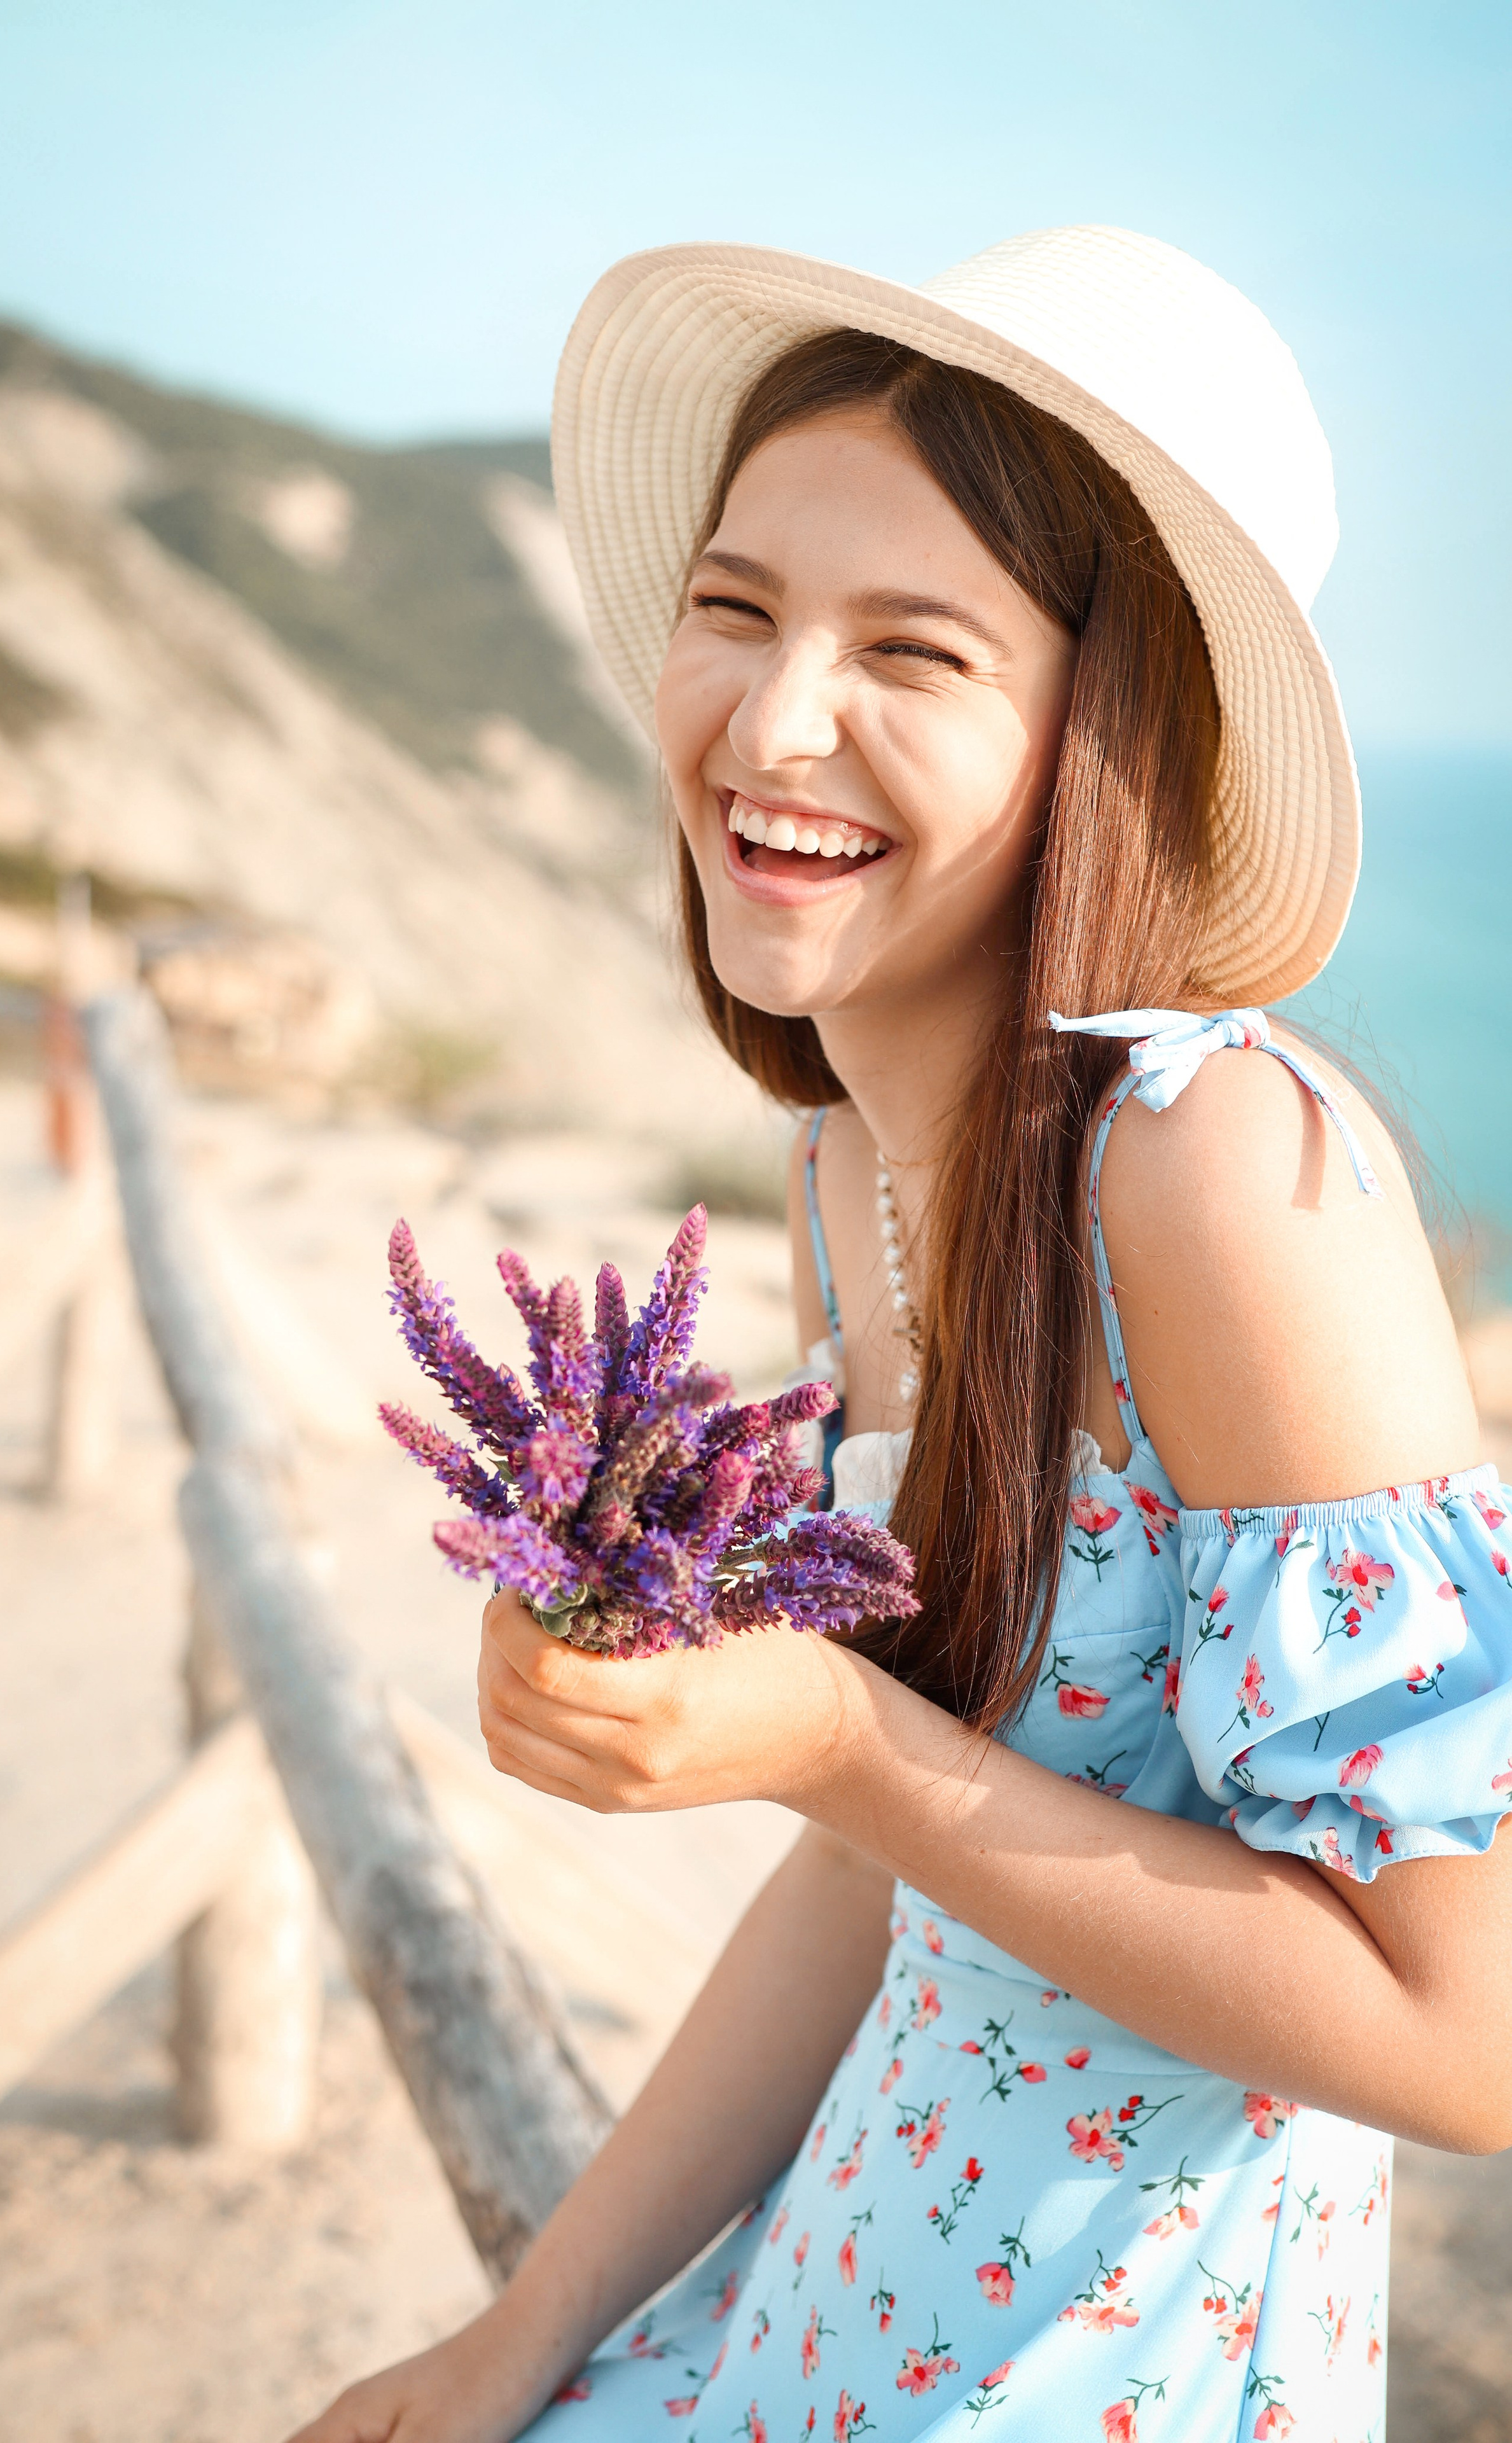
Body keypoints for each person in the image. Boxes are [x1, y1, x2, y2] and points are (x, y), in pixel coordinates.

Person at [289, 227, 1512, 2443]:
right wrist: (519, 2334)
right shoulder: (852, 1168)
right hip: (831, 2313)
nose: (771, 722)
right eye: (736, 608)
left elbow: (1472, 2037)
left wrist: (841, 1741)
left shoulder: (1221, 1171)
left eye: (913, 651)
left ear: (1100, 732)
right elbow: (877, 1888)